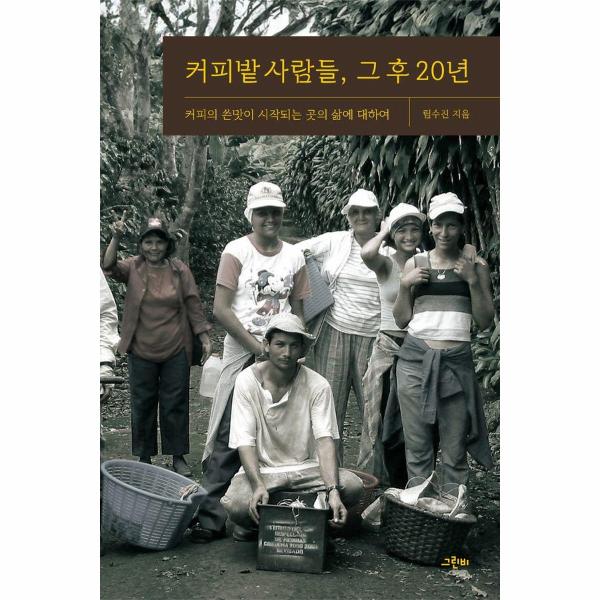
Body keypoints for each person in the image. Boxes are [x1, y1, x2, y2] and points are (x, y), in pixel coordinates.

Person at [191, 182, 310, 542]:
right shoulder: (236, 251)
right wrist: (258, 347)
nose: (269, 218)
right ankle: (210, 516)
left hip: (282, 353)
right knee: (231, 431)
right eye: (262, 212)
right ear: (251, 216)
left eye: (275, 212)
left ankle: (267, 515)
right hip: (245, 351)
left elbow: (298, 309)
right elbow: (221, 309)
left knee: (278, 430)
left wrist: (290, 349)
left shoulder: (294, 256)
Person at [357, 205, 477, 487]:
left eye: (414, 230)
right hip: (393, 349)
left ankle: (428, 486)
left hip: (425, 351)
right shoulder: (389, 263)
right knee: (390, 423)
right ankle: (393, 486)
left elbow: (459, 252)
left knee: (430, 425)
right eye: (402, 231)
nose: (409, 236)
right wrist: (385, 229)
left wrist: (469, 248)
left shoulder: (432, 260)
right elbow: (367, 253)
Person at [220, 313, 363, 540]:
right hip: (266, 471)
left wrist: (333, 490)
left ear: (303, 349)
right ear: (266, 345)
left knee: (352, 485)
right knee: (236, 503)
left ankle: (296, 519)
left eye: (294, 346)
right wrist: (257, 485)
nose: (287, 353)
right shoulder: (247, 381)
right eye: (280, 344)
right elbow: (245, 441)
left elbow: (325, 440)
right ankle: (266, 522)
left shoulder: (318, 385)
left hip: (307, 470)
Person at [393, 192, 494, 498]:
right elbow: (401, 319)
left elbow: (485, 321)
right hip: (414, 362)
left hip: (455, 363)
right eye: (439, 224)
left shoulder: (475, 265)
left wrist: (472, 281)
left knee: (454, 447)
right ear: (431, 227)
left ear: (461, 227)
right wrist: (405, 285)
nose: (445, 232)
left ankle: (451, 508)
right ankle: (419, 510)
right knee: (418, 445)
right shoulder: (416, 263)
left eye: (452, 225)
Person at [102, 213, 212, 476]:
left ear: (167, 244)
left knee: (175, 402)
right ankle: (144, 456)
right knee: (143, 402)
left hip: (176, 347)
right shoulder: (133, 267)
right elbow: (108, 266)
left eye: (159, 242)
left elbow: (193, 303)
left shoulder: (179, 270)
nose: (154, 247)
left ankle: (178, 456)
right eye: (148, 242)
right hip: (141, 349)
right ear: (141, 244)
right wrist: (116, 236)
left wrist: (204, 337)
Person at [296, 189, 382, 465]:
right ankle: (329, 472)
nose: (361, 217)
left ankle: (371, 476)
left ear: (377, 215)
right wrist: (311, 281)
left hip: (374, 338)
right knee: (329, 406)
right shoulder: (335, 241)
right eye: (355, 212)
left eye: (367, 212)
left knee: (374, 409)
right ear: (348, 216)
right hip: (335, 331)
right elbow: (294, 253)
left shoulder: (388, 246)